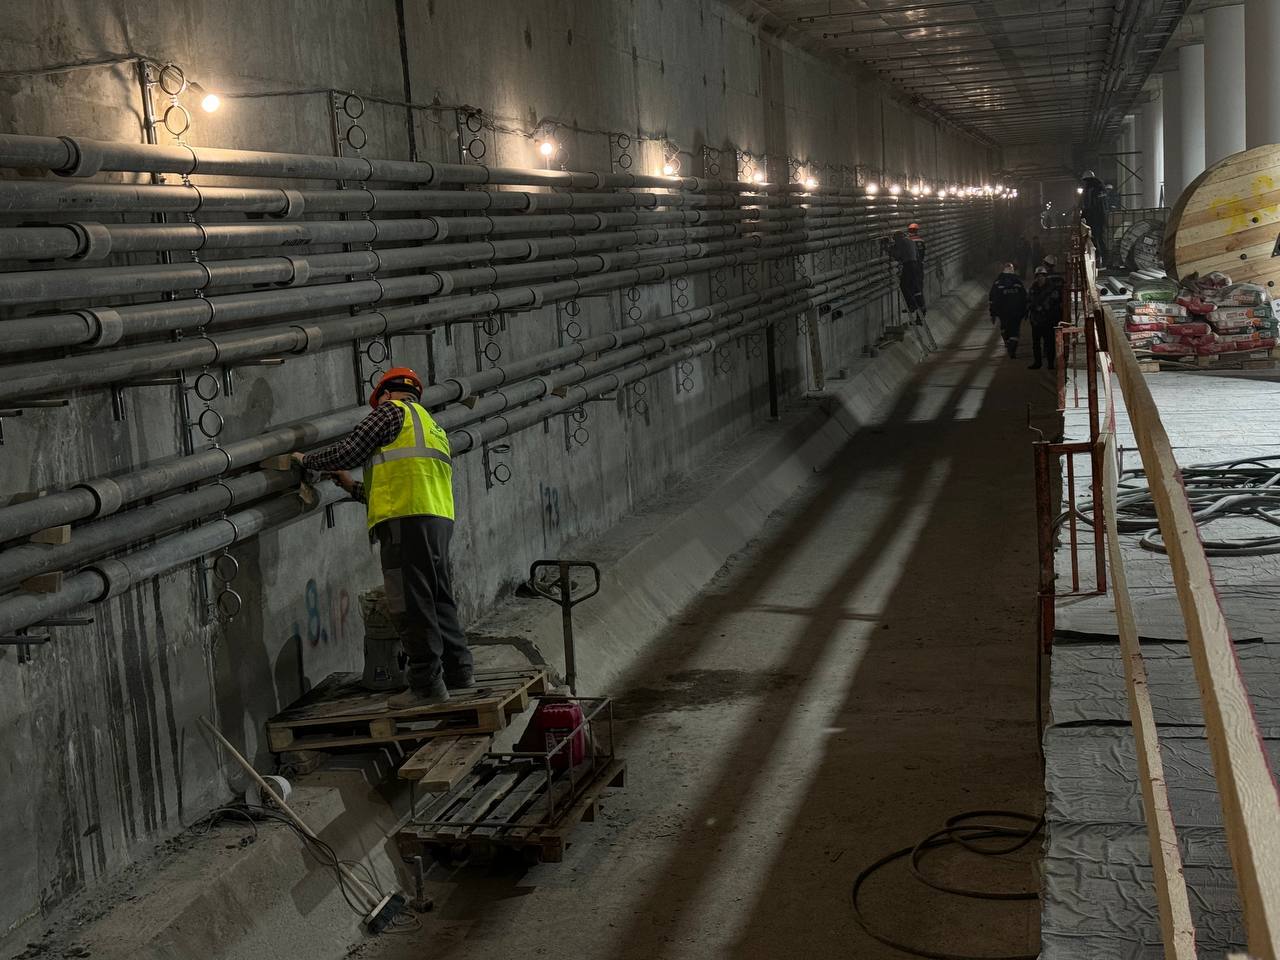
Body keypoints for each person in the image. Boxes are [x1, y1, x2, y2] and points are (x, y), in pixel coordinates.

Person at [295, 366, 472, 707]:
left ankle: (425, 686)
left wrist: (309, 460)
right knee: (437, 597)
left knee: (410, 602)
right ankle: (460, 672)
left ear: (386, 394)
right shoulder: (432, 426)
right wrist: (353, 487)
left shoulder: (390, 412)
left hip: (404, 523)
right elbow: (401, 482)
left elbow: (350, 451)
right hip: (436, 520)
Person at [1026, 266, 1064, 370]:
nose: (1040, 278)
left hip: (1048, 321)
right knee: (1036, 344)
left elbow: (1056, 303)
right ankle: (1037, 363)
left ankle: (1050, 363)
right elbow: (1028, 301)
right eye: (1038, 276)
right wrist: (1033, 308)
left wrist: (1045, 308)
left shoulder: (1052, 289)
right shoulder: (1033, 289)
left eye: (1042, 276)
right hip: (1036, 321)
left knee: (1049, 343)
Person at [989, 263, 1028, 358]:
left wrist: (993, 312)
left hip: (1003, 312)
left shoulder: (998, 282)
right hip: (1016, 311)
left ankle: (1007, 342)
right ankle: (1012, 349)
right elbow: (1024, 297)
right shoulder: (1017, 282)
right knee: (1014, 330)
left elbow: (992, 298)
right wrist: (1025, 310)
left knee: (1004, 327)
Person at [887, 229, 926, 319]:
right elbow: (917, 255)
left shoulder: (900, 242)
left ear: (897, 237)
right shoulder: (911, 241)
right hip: (916, 265)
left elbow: (897, 255)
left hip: (908, 265)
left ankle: (911, 305)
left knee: (903, 285)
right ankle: (920, 306)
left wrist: (889, 250)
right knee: (914, 286)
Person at [1079, 169, 1109, 264]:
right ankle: (1103, 258)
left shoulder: (1092, 189)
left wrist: (1084, 215)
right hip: (1100, 217)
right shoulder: (1100, 188)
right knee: (1099, 238)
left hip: (1095, 218)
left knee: (1096, 238)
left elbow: (1090, 205)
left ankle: (1101, 257)